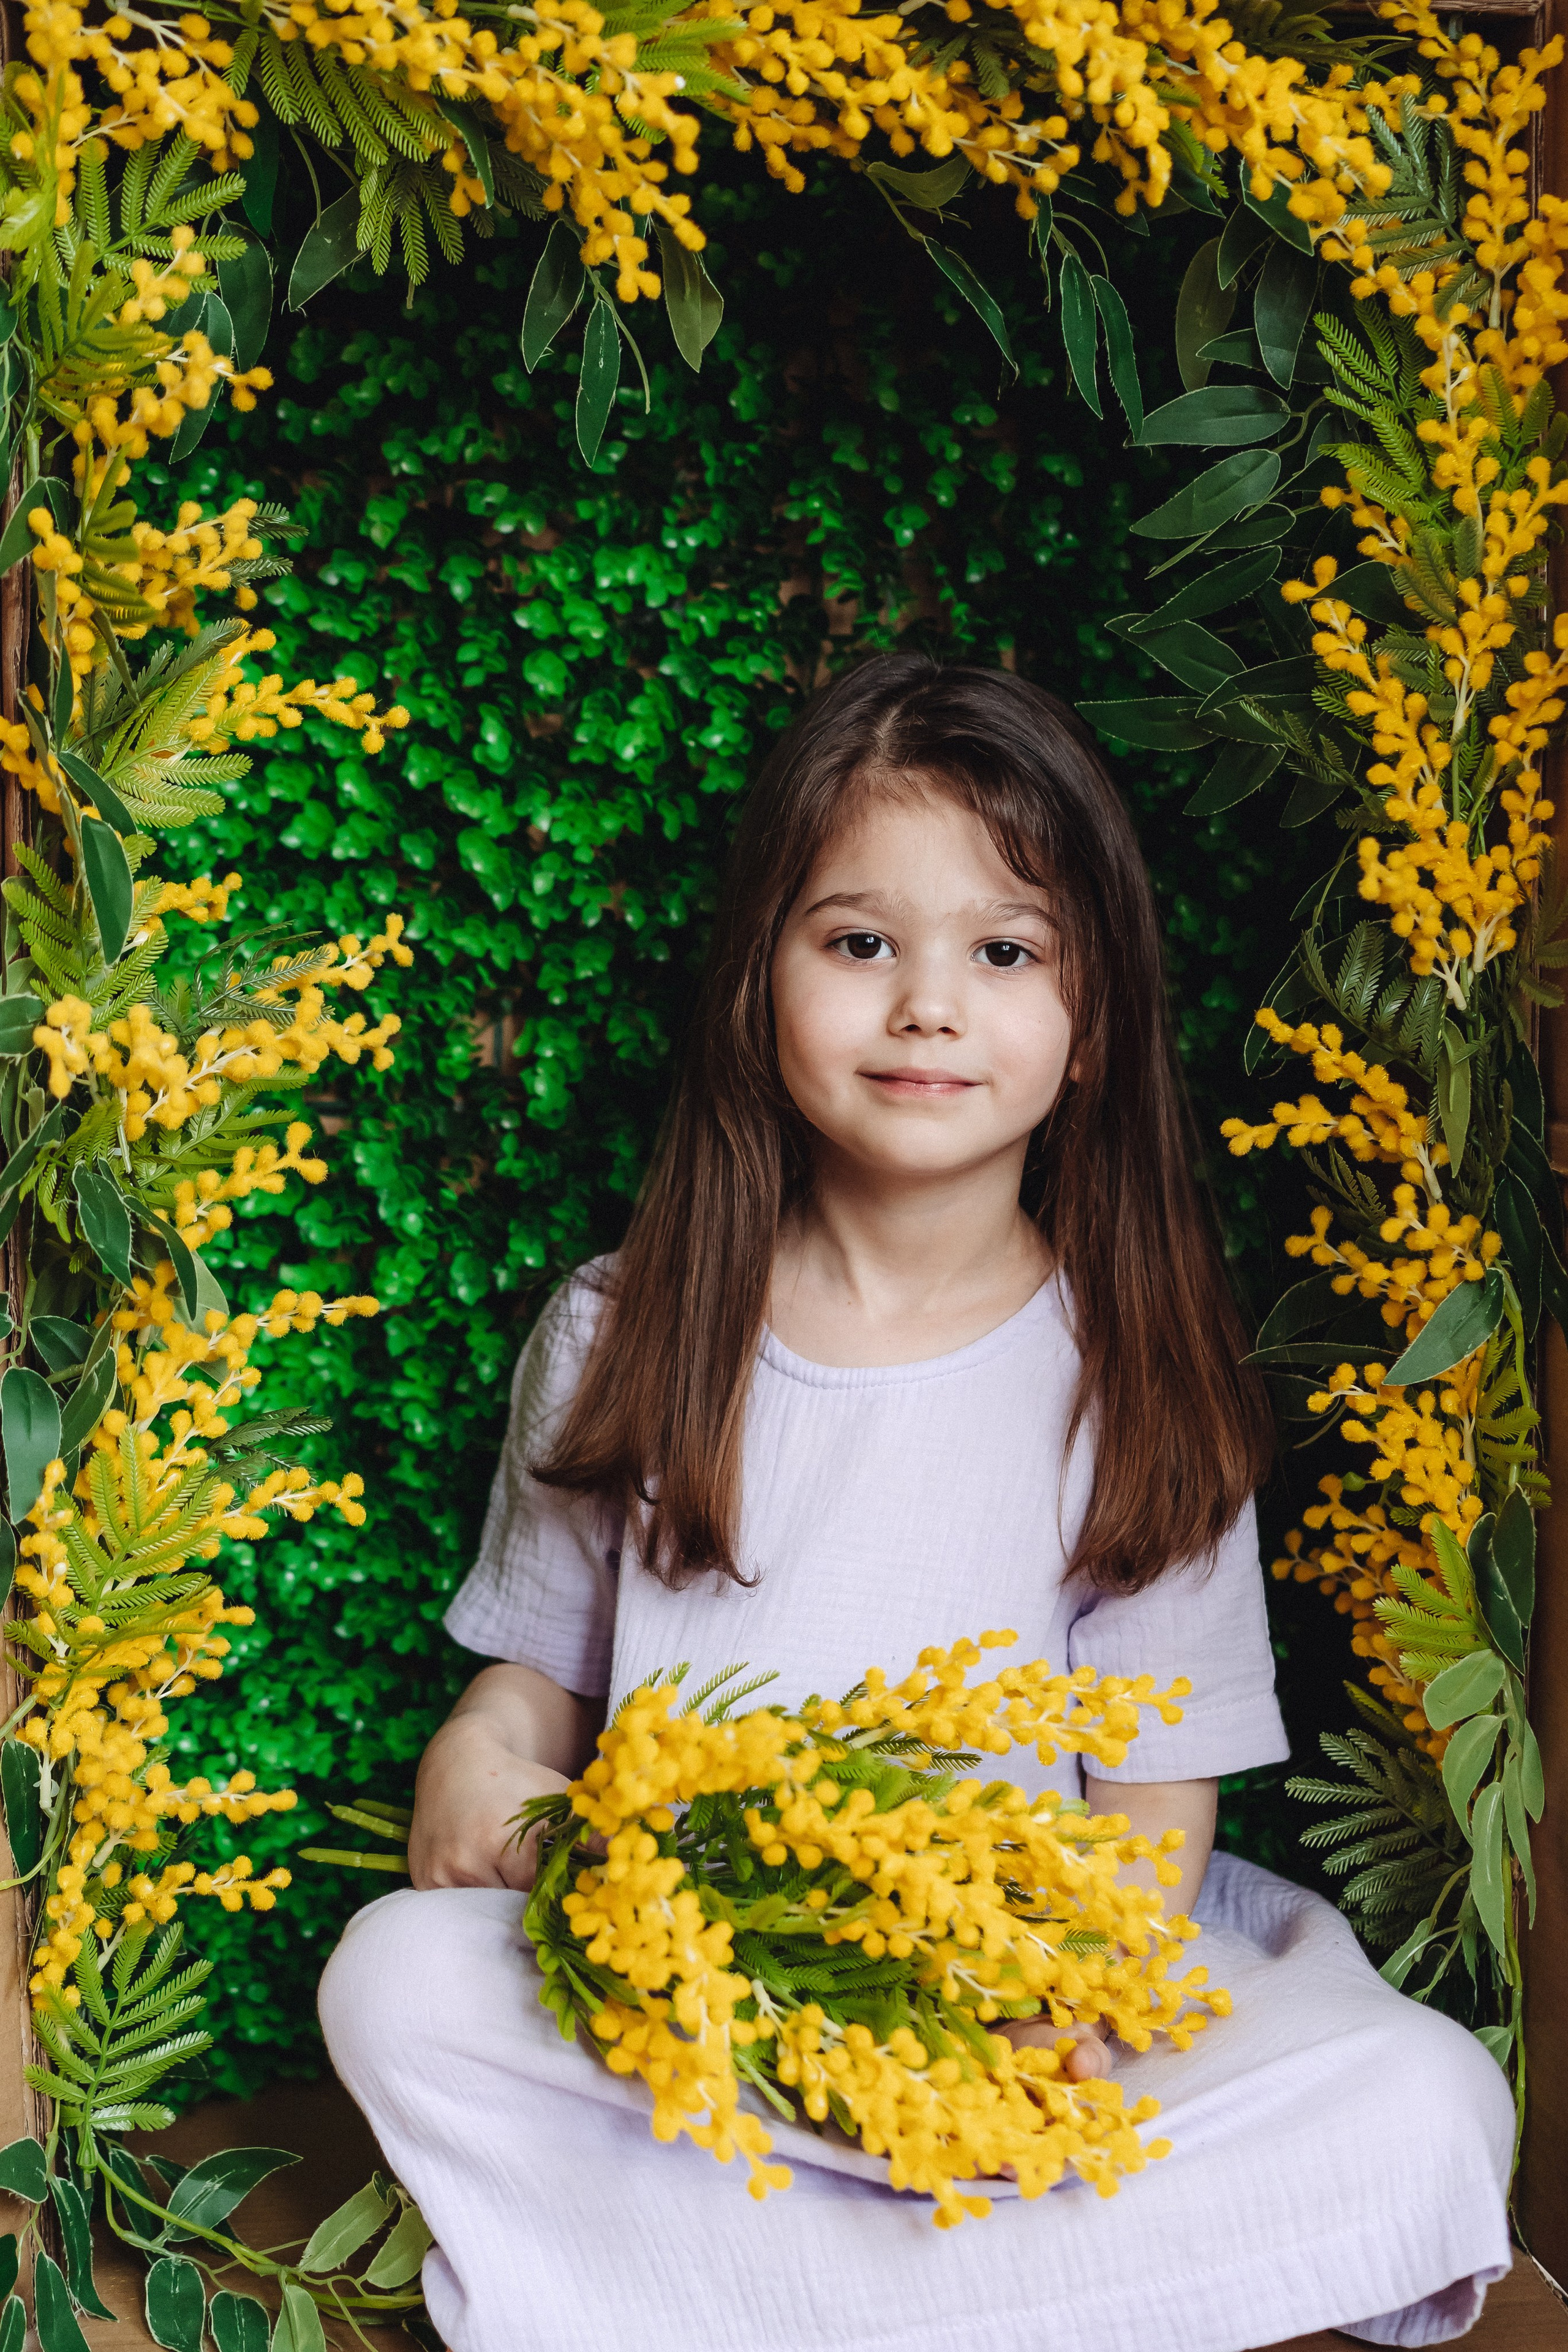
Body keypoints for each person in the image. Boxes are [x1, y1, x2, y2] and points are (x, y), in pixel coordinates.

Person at [318, 654, 1513, 2352]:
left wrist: (1050, 2015)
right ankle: (954, 2294)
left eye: (1006, 954)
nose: (928, 1006)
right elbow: (536, 1680)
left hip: (1015, 2005)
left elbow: (1153, 1819)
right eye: (860, 943)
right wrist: (483, 1759)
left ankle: (758, 2291)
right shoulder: (621, 1329)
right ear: (759, 985)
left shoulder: (1141, 1372)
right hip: (700, 2014)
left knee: (1427, 2099)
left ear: (1090, 1024)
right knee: (394, 1982)